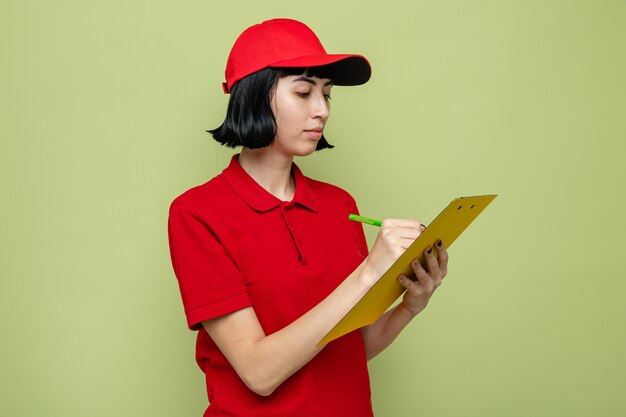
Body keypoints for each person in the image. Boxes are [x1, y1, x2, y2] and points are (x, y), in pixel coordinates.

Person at [168, 18, 448, 417]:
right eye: (303, 92)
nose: (322, 111)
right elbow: (260, 373)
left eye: (327, 95)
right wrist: (368, 274)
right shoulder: (197, 214)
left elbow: (346, 350)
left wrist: (409, 306)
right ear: (254, 97)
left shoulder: (340, 206)